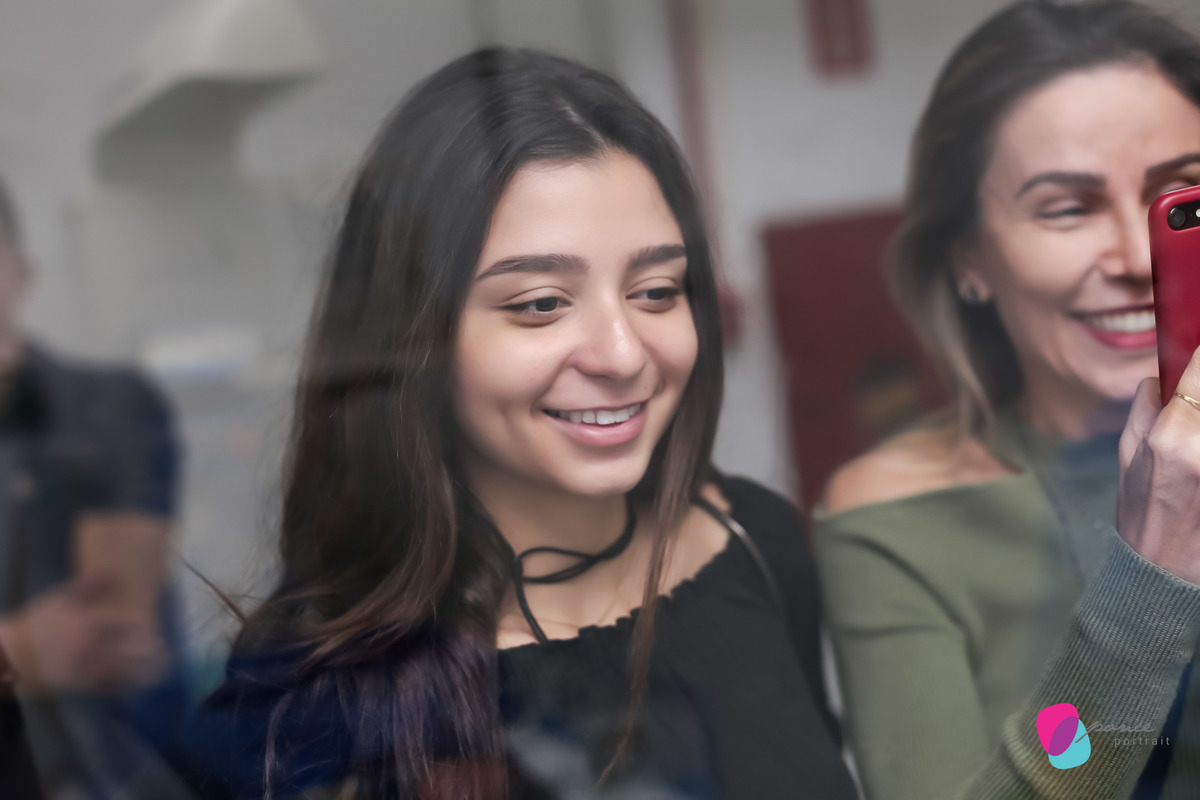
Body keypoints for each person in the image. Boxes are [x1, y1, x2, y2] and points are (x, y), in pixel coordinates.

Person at [173, 47, 858, 800]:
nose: (624, 353)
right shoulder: (319, 697)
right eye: (540, 304)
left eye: (657, 291)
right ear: (414, 338)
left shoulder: (758, 543)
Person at [815, 2, 1200, 799]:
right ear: (970, 261)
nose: (1137, 256)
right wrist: (1148, 580)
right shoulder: (896, 520)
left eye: (1182, 201)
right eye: (1067, 208)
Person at [0, 178, 188, 797]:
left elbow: (99, 637)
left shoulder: (105, 408)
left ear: (22, 272)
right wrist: (18, 647)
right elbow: (40, 648)